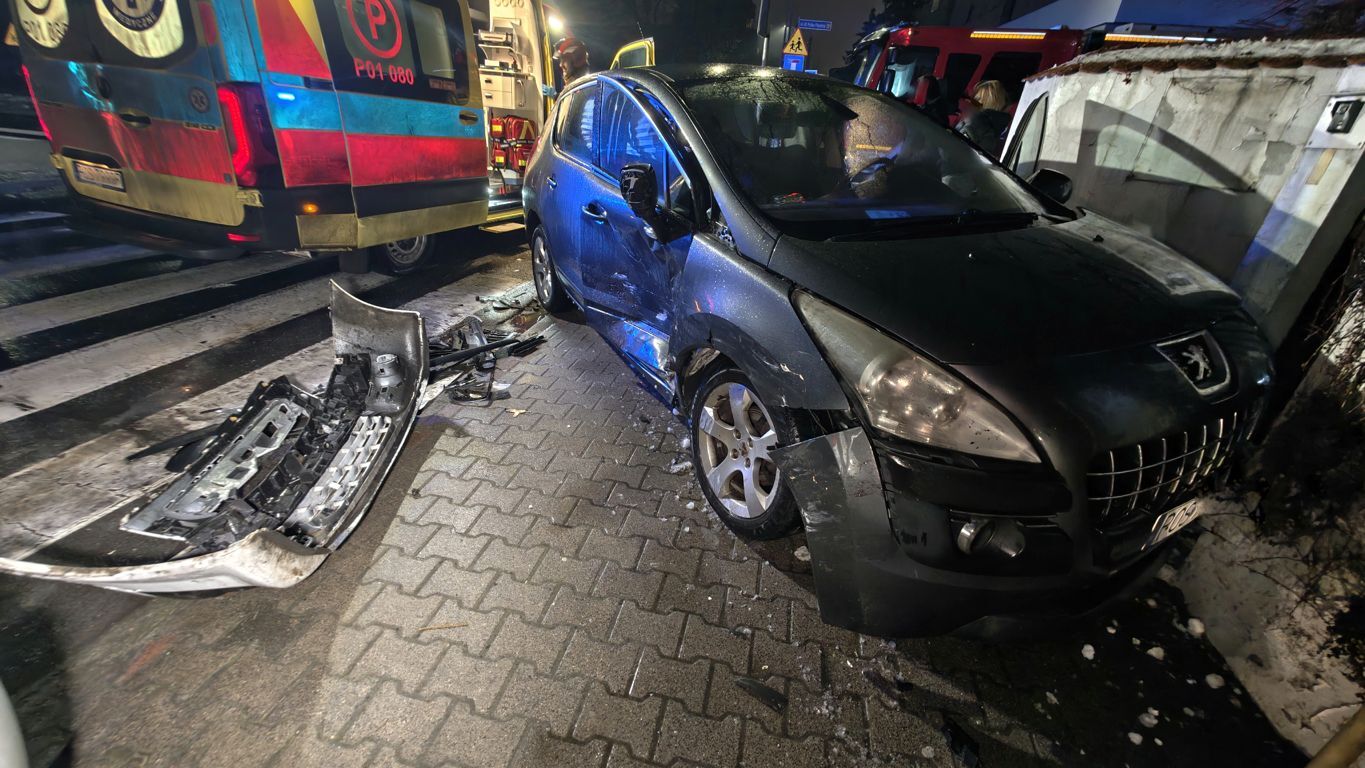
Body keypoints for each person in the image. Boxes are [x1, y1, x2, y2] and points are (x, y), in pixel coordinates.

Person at [955, 80, 1012, 158]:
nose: (971, 102)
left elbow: (955, 151)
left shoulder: (976, 123)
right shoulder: (1000, 127)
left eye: (976, 99)